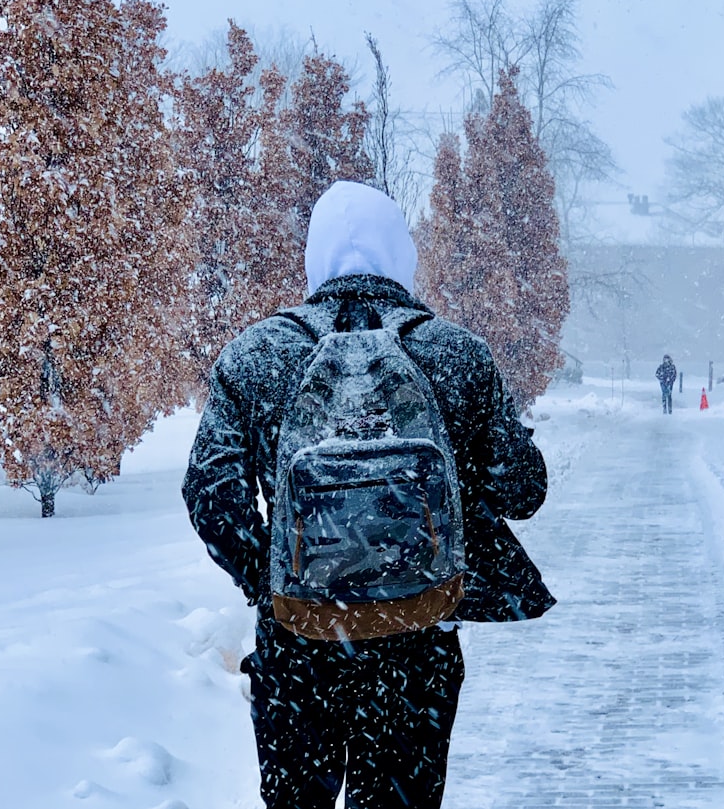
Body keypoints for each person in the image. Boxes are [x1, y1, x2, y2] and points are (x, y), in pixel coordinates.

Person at [182, 179, 555, 809]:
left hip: (298, 647)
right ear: (400, 254)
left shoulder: (255, 357)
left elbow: (211, 494)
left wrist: (274, 581)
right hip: (418, 643)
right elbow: (523, 488)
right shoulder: (456, 354)